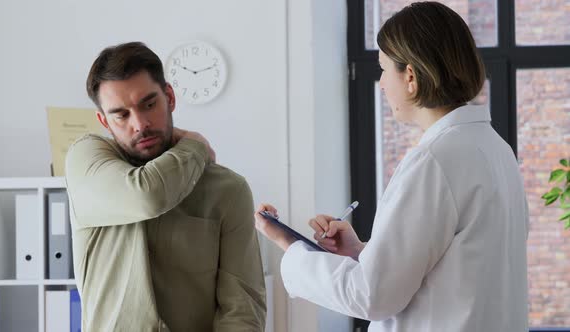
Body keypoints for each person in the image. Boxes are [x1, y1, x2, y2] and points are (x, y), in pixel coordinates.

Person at [254, 2, 528, 331]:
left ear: (410, 76)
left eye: (384, 69)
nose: (382, 83)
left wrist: (294, 250)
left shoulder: (435, 160)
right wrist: (361, 251)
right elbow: (457, 265)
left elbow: (371, 295)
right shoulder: (496, 149)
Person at [65, 42, 266, 331]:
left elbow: (242, 309)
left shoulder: (228, 190)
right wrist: (195, 145)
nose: (140, 124)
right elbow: (147, 196)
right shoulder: (85, 163)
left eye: (149, 104)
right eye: (121, 115)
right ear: (104, 121)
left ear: (169, 97)